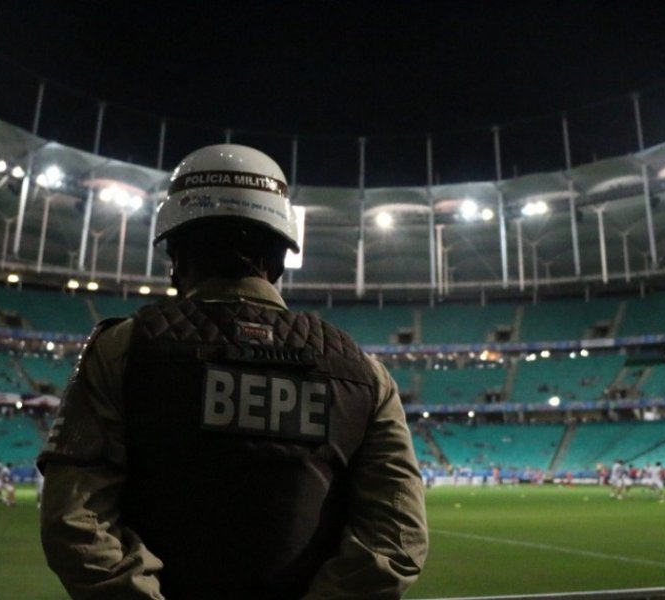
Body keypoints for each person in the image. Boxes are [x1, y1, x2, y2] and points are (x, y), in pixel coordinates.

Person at [38, 144, 428, 600]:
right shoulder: (365, 373)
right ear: (281, 256)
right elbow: (398, 540)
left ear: (176, 254)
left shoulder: (121, 349)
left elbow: (73, 520)